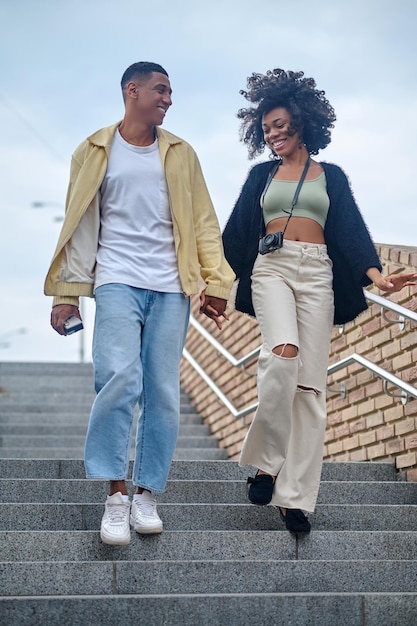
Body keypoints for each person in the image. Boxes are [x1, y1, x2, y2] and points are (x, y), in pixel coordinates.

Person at [45, 61, 234, 545]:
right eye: (161, 90)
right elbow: (76, 225)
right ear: (132, 90)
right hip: (116, 280)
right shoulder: (92, 151)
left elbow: (205, 224)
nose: (168, 99)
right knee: (118, 379)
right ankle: (115, 496)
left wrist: (216, 281)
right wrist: (67, 295)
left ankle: (147, 493)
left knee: (163, 391)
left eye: (171, 92)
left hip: (171, 286)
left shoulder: (181, 153)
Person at [222, 68, 416, 534]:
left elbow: (349, 231)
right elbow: (234, 237)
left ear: (303, 124)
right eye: (266, 127)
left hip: (318, 273)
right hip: (271, 269)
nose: (273, 134)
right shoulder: (260, 177)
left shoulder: (331, 177)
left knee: (310, 389)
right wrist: (212, 285)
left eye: (280, 124)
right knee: (282, 354)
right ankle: (267, 464)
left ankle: (294, 499)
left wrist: (378, 277)